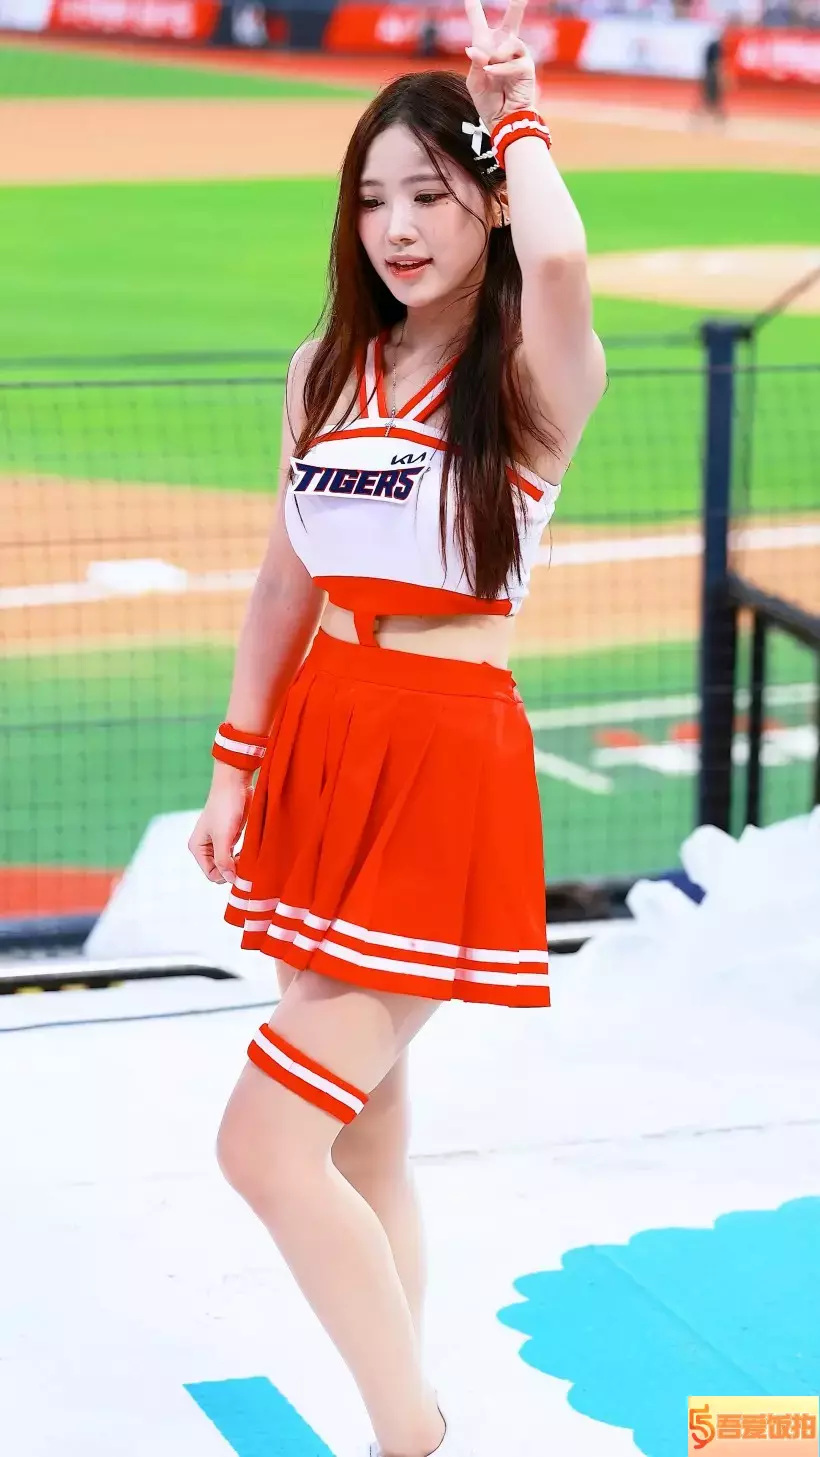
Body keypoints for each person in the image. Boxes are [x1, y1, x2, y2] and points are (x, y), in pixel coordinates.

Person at [188, 0, 606, 1451]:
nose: (397, 227)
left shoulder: (534, 375)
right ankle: (402, 1427)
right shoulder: (327, 370)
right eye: (372, 198)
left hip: (439, 753)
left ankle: (410, 1430)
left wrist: (517, 105)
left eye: (429, 193)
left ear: (487, 200)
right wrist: (237, 763)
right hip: (323, 736)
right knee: (363, 1141)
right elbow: (282, 582)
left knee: (264, 1143)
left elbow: (563, 259)